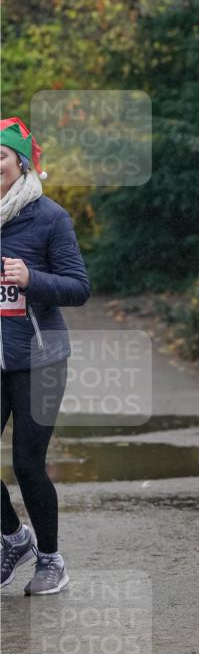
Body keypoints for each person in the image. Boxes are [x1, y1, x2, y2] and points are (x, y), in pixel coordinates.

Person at [1, 118, 90, 594]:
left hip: (41, 357)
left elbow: (79, 287)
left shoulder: (49, 216)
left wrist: (32, 279)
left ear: (20, 162)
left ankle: (50, 560)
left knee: (27, 463)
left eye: (0, 155)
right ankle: (14, 539)